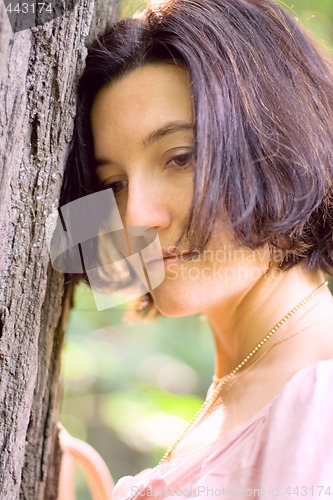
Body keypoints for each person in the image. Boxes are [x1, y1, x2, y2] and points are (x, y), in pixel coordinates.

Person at [61, 0, 333, 497]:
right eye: (113, 184)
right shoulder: (256, 378)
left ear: (278, 141)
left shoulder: (317, 401)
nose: (135, 217)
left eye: (180, 157)